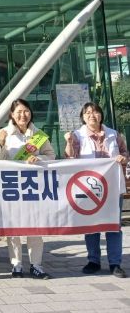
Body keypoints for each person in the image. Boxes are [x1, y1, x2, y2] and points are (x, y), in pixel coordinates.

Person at [0, 99, 55, 279]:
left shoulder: (38, 134)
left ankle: (36, 265)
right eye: (18, 112)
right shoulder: (4, 133)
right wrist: (1, 143)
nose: (23, 115)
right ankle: (16, 265)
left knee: (35, 226)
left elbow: (51, 155)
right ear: (12, 114)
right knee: (14, 228)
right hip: (11, 187)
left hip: (33, 187)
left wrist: (39, 159)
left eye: (26, 111)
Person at [64, 102, 129, 278]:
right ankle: (93, 261)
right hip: (89, 187)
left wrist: (123, 158)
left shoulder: (114, 134)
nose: (92, 115)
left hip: (112, 187)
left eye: (95, 112)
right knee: (91, 224)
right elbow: (69, 157)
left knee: (113, 225)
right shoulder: (77, 136)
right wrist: (69, 142)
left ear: (101, 115)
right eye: (87, 113)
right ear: (83, 117)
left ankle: (115, 263)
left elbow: (125, 153)